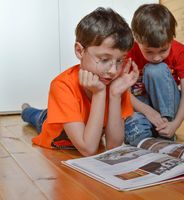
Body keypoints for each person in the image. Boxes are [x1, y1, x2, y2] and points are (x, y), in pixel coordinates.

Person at [21, 7, 139, 156]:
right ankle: (26, 109)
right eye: (104, 60)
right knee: (36, 116)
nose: (113, 71)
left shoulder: (115, 84)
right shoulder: (62, 85)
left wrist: (115, 95)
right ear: (80, 51)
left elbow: (114, 146)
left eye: (120, 61)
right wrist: (99, 93)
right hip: (53, 123)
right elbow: (88, 149)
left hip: (70, 114)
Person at [124, 4, 184, 146]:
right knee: (136, 137)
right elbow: (123, 94)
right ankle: (151, 135)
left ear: (171, 38)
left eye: (163, 50)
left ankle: (165, 129)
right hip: (140, 106)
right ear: (136, 38)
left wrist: (175, 124)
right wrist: (148, 112)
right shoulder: (128, 52)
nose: (156, 57)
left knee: (155, 69)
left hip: (167, 109)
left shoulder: (180, 51)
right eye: (149, 51)